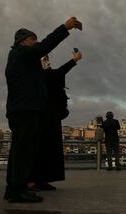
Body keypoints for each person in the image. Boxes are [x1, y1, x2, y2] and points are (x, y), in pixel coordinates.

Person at [4, 17, 82, 203]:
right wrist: (65, 27)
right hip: (25, 111)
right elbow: (44, 47)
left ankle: (16, 188)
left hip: (24, 110)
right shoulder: (21, 54)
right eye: (33, 39)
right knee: (22, 152)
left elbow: (52, 73)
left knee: (20, 152)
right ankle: (16, 190)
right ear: (22, 41)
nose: (36, 42)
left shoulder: (23, 60)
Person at [28, 52, 82, 191]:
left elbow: (57, 75)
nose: (48, 62)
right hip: (42, 117)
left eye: (47, 59)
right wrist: (74, 60)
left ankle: (42, 180)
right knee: (40, 149)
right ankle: (32, 181)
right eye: (44, 60)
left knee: (49, 150)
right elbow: (59, 73)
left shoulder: (46, 74)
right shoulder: (37, 75)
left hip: (51, 116)